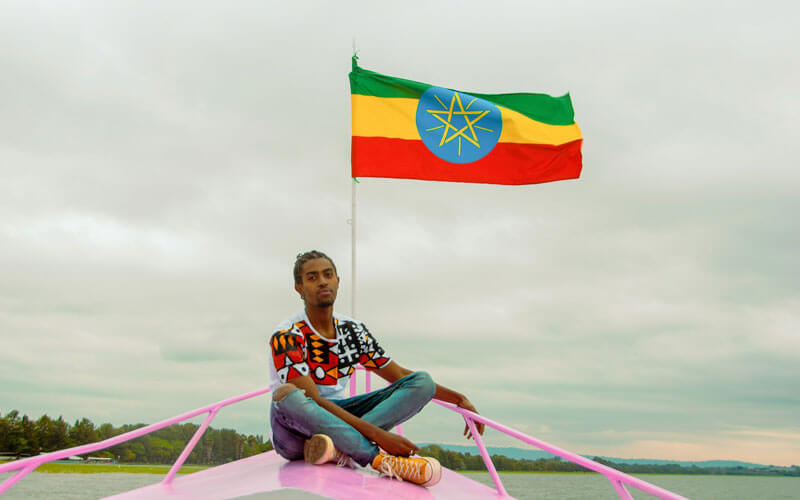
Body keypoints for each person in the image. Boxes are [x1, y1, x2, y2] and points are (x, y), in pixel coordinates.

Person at [268, 250, 484, 488]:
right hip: (296, 431)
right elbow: (315, 401)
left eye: (328, 275)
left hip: (342, 416)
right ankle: (377, 459)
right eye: (312, 277)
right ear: (299, 288)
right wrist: (377, 436)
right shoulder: (287, 334)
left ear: (337, 281)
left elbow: (400, 376)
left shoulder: (353, 331)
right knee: (288, 394)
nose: (322, 281)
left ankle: (337, 449)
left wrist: (459, 398)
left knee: (422, 381)